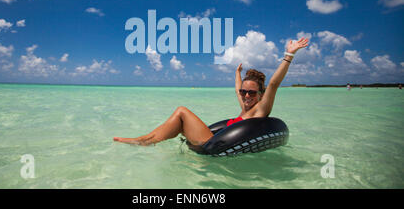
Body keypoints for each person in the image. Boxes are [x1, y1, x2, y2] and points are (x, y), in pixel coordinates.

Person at [113, 37, 309, 147]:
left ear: (260, 94)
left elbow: (274, 83)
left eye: (251, 93)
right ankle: (146, 140)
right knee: (179, 121)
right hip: (214, 138)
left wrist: (289, 55)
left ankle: (145, 141)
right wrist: (237, 73)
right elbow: (236, 88)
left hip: (212, 142)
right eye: (244, 93)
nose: (246, 96)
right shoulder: (244, 106)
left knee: (181, 111)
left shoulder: (260, 110)